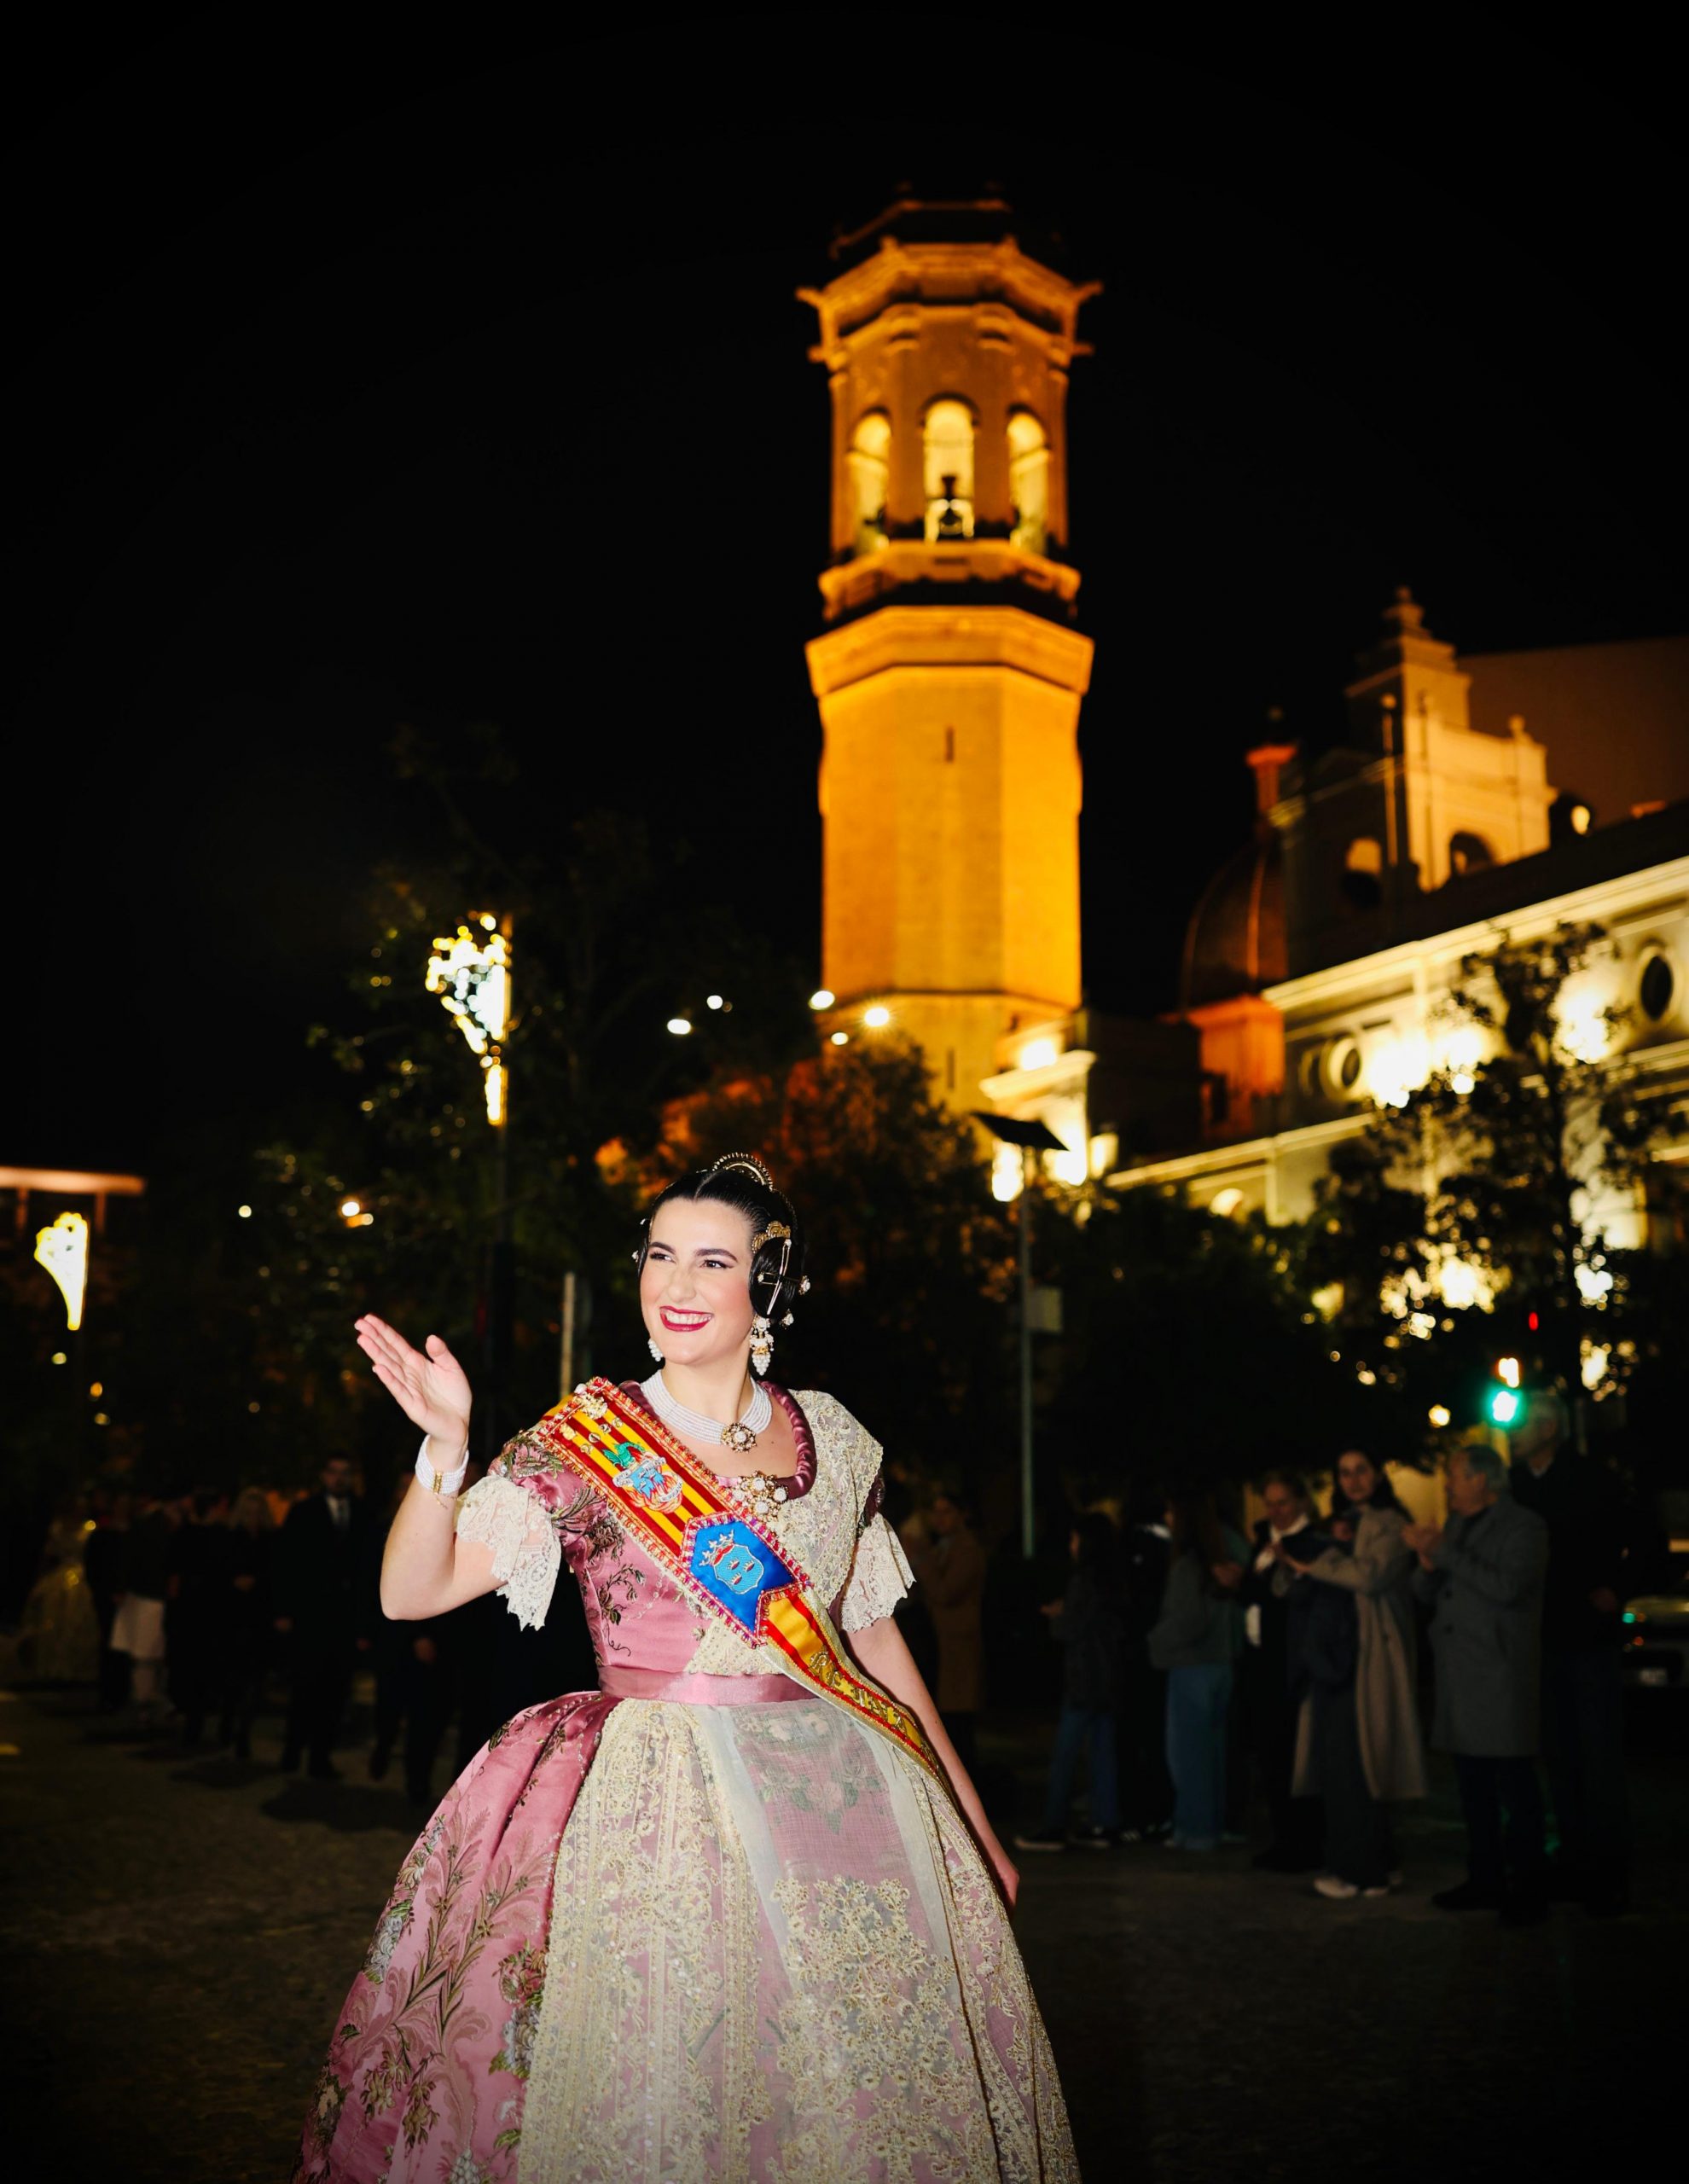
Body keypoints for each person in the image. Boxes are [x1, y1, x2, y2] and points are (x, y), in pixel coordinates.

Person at [293, 1153, 1077, 2182]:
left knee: (859, 2090)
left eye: (713, 1260)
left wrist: (972, 1825)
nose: (676, 1284)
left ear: (769, 1288)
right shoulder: (591, 1439)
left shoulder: (834, 1438)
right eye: (661, 1255)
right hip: (658, 1813)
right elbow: (412, 1590)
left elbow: (873, 1644)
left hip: (847, 1808)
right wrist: (445, 1450)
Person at [1407, 1443, 1551, 1924]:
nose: (1447, 1484)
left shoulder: (1524, 1527)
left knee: (1514, 1787)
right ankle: (1485, 1878)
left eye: (1454, 1475)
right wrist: (1427, 1568)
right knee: (1473, 1789)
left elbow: (1508, 1588)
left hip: (1498, 1675)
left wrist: (1445, 1554)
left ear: (1482, 1481)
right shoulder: (1455, 1526)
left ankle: (1529, 1888)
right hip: (1460, 1674)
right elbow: (1432, 1590)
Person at [1279, 1450, 1425, 1900]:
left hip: (1367, 1658)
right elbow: (1295, 1582)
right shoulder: (1339, 1524)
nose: (1353, 1480)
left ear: (1378, 1474)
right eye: (1344, 1473)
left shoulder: (1389, 1523)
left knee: (1359, 1762)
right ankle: (1371, 1863)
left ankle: (1362, 1870)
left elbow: (1371, 1575)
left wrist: (1317, 1562)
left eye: (1361, 1470)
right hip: (1336, 1658)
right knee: (1346, 1762)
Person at [1508, 1388, 1631, 1915]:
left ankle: (1604, 1871)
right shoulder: (1515, 1486)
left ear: (1549, 1428)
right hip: (1541, 1638)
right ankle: (1574, 1856)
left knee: (1596, 1754)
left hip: (1584, 1634)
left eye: (1525, 1424)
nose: (1515, 1434)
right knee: (1558, 1752)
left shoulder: (1591, 1478)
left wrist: (1616, 1587)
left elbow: (1639, 1533)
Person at [1017, 1510, 1125, 1851]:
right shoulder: (1114, 1580)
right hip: (1108, 1677)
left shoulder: (1084, 1580)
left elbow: (1073, 1628)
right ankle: (1105, 1824)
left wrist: (1057, 1615)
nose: (1072, 1545)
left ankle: (1054, 1825)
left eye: (1076, 1539)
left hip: (1083, 1678)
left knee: (1065, 1753)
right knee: (1102, 1751)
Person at [1147, 1486, 1247, 1853]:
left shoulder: (1190, 1563)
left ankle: (1196, 1830)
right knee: (1212, 1753)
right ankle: (1209, 1826)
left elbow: (1188, 1621)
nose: (1167, 1520)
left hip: (1192, 1666)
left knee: (1189, 1755)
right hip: (1221, 1663)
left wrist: (1154, 1642)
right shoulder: (1227, 1550)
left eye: (1172, 1513)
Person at [275, 1455, 374, 1780]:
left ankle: (320, 1757)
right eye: (334, 1472)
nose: (339, 1479)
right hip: (309, 1617)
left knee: (335, 1692)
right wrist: (285, 1611)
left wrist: (363, 1626)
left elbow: (366, 1574)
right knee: (304, 1687)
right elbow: (286, 1564)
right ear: (324, 1475)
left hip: (344, 1622)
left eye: (346, 1473)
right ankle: (292, 1750)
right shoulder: (303, 1512)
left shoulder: (363, 1513)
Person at [1242, 1471, 1322, 1872]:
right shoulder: (1265, 1541)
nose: (1275, 1510)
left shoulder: (1309, 1544)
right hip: (1263, 1666)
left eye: (1283, 1503)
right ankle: (1284, 1839)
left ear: (1301, 1503)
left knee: (1295, 1756)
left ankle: (1303, 1843)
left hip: (1291, 1667)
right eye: (1269, 1503)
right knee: (1271, 1756)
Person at [903, 1484, 987, 1773]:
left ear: (962, 1515)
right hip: (940, 1644)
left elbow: (945, 1592)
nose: (940, 1519)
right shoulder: (943, 1547)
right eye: (935, 1513)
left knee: (959, 1726)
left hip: (956, 1644)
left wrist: (921, 1560)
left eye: (947, 1512)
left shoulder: (967, 1549)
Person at [168, 1487, 235, 1746]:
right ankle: (210, 1725)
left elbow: (173, 1580)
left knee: (194, 1669)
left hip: (193, 1613)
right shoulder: (221, 1537)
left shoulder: (185, 1536)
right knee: (208, 1669)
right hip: (211, 1612)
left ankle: (194, 1725)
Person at [110, 1486, 178, 1725]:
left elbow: (128, 1558)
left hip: (147, 1595)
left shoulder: (146, 1526)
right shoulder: (158, 1526)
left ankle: (146, 1700)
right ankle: (147, 1700)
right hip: (152, 1595)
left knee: (146, 1654)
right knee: (149, 1653)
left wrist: (121, 1587)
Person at [218, 1485, 276, 1759]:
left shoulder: (270, 1539)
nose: (252, 1517)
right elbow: (219, 1572)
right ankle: (228, 1722)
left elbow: (275, 1573)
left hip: (259, 1616)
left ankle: (242, 1732)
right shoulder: (231, 1538)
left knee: (255, 1677)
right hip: (233, 1615)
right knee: (233, 1675)